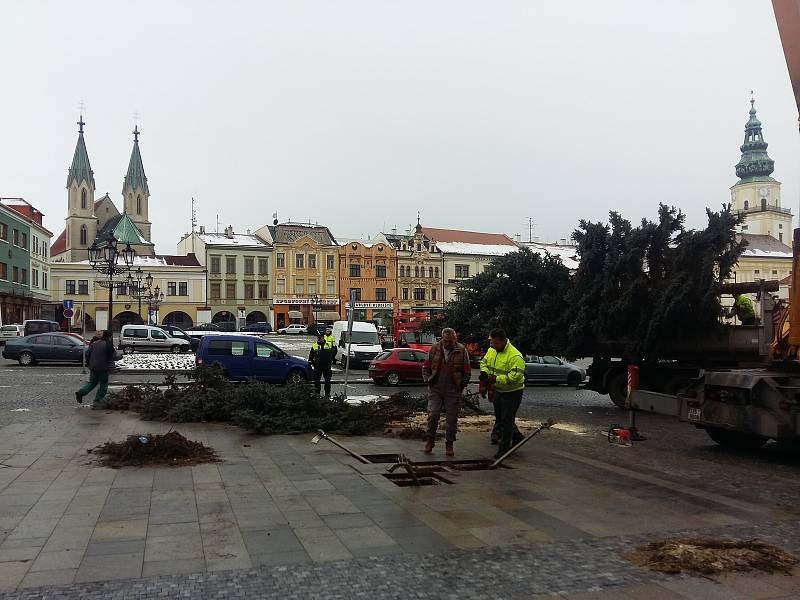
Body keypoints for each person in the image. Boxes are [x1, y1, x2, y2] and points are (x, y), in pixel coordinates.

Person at [421, 328, 471, 456]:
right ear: (442, 339)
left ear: (455, 339)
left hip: (453, 389)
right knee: (433, 415)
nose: (448, 344)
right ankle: (430, 440)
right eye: (445, 341)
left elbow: (467, 370)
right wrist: (427, 379)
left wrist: (462, 385)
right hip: (435, 388)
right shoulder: (434, 349)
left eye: (450, 341)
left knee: (451, 419)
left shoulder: (462, 350)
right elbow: (426, 366)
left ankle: (449, 443)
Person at [479, 328, 526, 459]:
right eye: (491, 342)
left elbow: (514, 378)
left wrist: (495, 379)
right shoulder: (491, 350)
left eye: (495, 343)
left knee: (506, 419)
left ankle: (504, 449)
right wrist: (484, 374)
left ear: (504, 341)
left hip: (512, 392)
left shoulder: (515, 356)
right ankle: (517, 437)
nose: (493, 345)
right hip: (498, 390)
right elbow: (485, 363)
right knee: (501, 418)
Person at [76, 330, 115, 407]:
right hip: (103, 367)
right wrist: (120, 357)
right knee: (103, 384)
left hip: (93, 367)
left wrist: (89, 363)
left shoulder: (94, 343)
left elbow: (87, 353)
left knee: (92, 383)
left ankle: (81, 392)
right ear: (110, 337)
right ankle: (97, 400)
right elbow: (113, 356)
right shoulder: (108, 344)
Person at [309, 332, 335, 397]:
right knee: (317, 381)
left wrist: (331, 359)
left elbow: (334, 352)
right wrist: (310, 362)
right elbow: (311, 356)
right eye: (319, 338)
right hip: (318, 366)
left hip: (327, 366)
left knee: (327, 380)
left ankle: (327, 394)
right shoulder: (314, 345)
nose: (320, 339)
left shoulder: (329, 345)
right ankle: (317, 393)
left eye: (321, 338)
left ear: (323, 338)